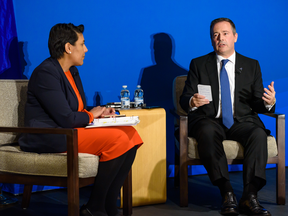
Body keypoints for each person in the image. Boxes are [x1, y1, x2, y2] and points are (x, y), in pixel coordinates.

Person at [18, 23, 143, 216]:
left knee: (131, 135)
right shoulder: (45, 73)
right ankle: (95, 207)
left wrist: (98, 112)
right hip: (51, 135)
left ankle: (109, 202)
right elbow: (66, 118)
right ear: (68, 47)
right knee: (118, 139)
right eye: (82, 44)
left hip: (69, 130)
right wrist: (92, 114)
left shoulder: (72, 71)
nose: (86, 49)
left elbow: (76, 109)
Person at [180, 18, 275, 216]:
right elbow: (184, 98)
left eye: (224, 33)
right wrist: (191, 101)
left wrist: (268, 102)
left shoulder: (251, 65)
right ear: (211, 39)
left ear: (235, 37)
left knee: (258, 134)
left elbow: (257, 102)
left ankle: (249, 196)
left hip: (240, 121)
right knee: (206, 131)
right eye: (215, 35)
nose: (220, 38)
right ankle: (227, 192)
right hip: (209, 120)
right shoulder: (198, 64)